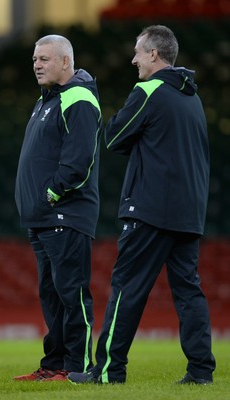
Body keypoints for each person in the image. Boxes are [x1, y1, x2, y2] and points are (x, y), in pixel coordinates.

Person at [68, 25, 216, 385]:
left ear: (154, 54)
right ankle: (200, 371)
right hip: (189, 211)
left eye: (138, 51)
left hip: (149, 210)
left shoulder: (148, 90)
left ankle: (108, 371)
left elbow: (114, 136)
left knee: (127, 289)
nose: (133, 59)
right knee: (189, 292)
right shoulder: (192, 97)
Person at [14, 34, 102, 381]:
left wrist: (51, 194)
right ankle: (54, 364)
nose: (36, 64)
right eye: (35, 59)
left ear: (66, 61)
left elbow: (79, 161)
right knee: (52, 296)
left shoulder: (77, 97)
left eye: (44, 59)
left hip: (65, 214)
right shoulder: (47, 100)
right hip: (43, 217)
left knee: (71, 294)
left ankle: (77, 367)